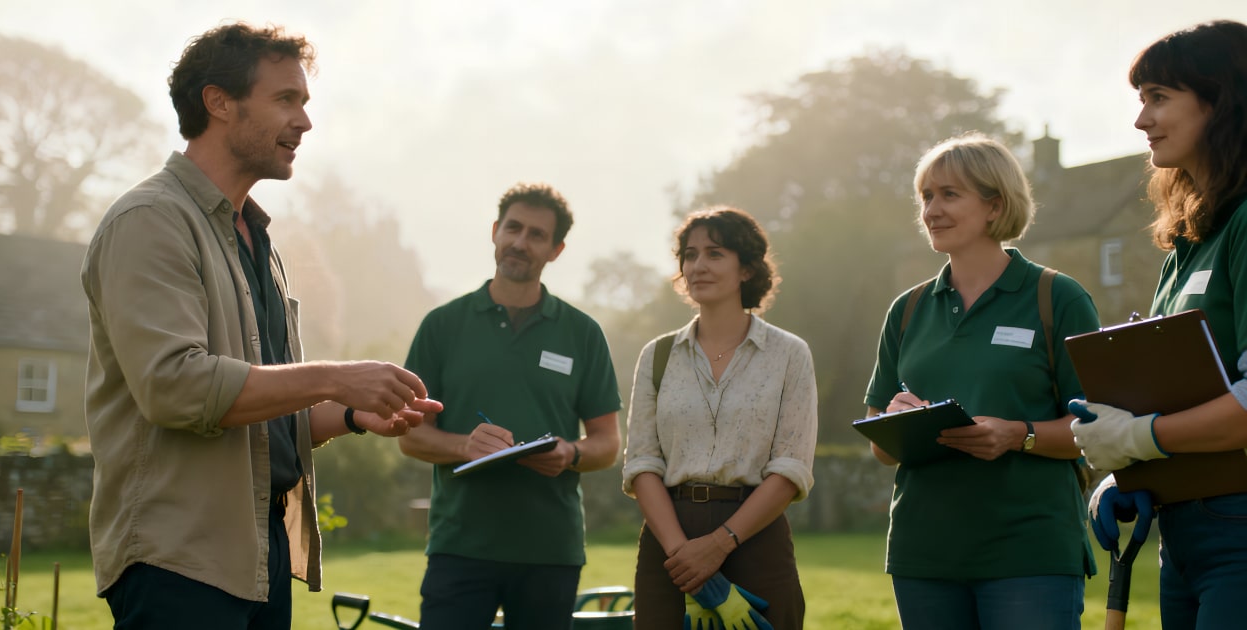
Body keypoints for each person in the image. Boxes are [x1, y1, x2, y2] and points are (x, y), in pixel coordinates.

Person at [81, 23, 441, 630]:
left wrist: (351, 414)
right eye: (285, 100)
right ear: (219, 102)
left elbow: (264, 412)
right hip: (177, 562)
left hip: (259, 554)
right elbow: (177, 387)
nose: (304, 122)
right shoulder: (149, 222)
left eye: (304, 103)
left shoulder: (260, 242)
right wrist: (333, 376)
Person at [863, 133, 1100, 629]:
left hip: (1030, 554)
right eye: (926, 196)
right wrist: (895, 422)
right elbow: (880, 445)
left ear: (995, 205)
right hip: (923, 555)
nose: (932, 209)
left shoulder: (1057, 297)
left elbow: (1100, 428)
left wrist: (1019, 434)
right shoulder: (906, 310)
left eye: (950, 194)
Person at [1069, 20, 1247, 629]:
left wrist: (1140, 437)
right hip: (1184, 532)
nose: (1141, 121)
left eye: (1159, 97)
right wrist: (1131, 471)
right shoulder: (1186, 246)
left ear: (1222, 100)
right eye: (1140, 99)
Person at [398, 182, 622, 630]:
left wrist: (569, 454)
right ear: (495, 231)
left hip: (550, 551)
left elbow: (609, 443)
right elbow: (410, 435)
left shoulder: (582, 333)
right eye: (513, 228)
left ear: (556, 250)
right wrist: (465, 446)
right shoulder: (442, 326)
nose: (521, 242)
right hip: (459, 547)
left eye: (537, 234)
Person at [622, 205, 817, 629]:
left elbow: (791, 466)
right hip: (668, 546)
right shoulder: (656, 356)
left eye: (714, 253)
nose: (697, 266)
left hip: (756, 540)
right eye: (689, 255)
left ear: (747, 269)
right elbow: (641, 462)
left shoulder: (789, 354)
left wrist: (720, 543)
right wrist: (682, 553)